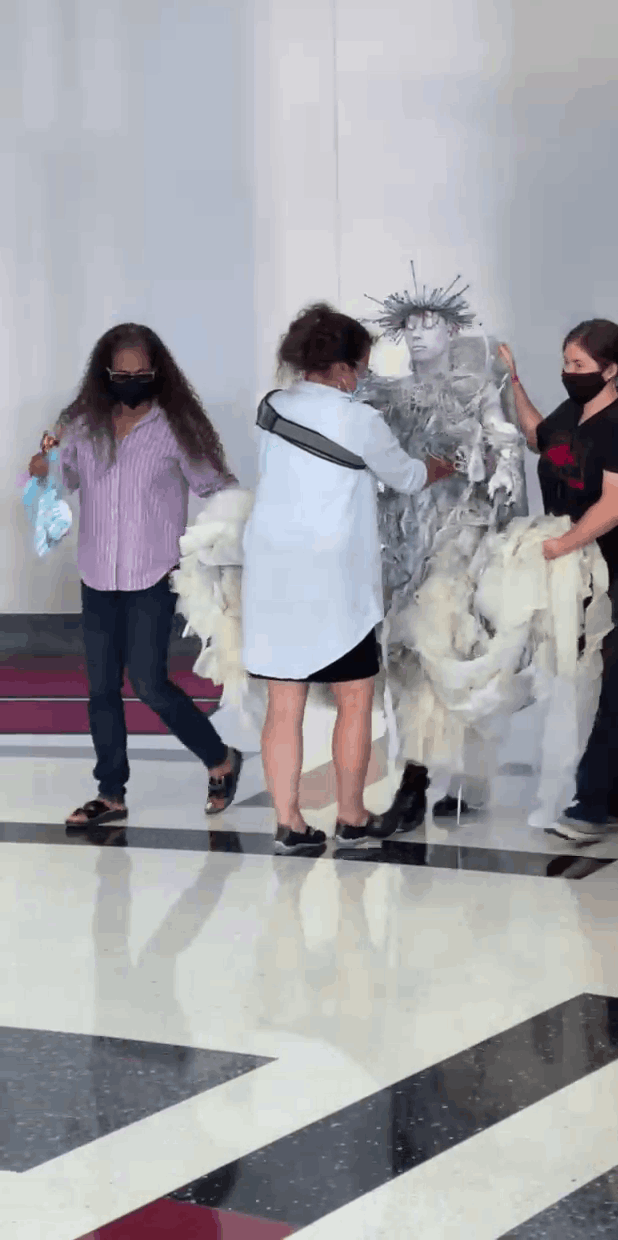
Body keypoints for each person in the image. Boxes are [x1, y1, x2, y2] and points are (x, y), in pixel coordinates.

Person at [240, 303, 456, 855]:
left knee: (283, 702)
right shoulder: (359, 419)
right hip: (332, 577)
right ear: (341, 368)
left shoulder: (271, 407)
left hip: (272, 569)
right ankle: (352, 815)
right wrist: (440, 466)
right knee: (355, 698)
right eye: (360, 366)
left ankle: (289, 823)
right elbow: (407, 478)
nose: (362, 376)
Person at [27, 323, 245, 829]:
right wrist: (43, 466)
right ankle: (110, 793)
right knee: (101, 687)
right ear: (105, 374)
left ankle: (220, 759)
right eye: (120, 374)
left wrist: (232, 532)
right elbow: (65, 478)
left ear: (156, 372)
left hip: (153, 573)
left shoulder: (175, 428)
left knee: (148, 681)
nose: (130, 382)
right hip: (97, 572)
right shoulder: (84, 425)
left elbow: (217, 486)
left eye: (140, 373)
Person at [356, 272, 527, 833]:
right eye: (410, 325)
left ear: (453, 331)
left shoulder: (476, 387)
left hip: (458, 535)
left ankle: (417, 781)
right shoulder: (387, 394)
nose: (419, 334)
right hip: (403, 538)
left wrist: (502, 471)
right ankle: (447, 773)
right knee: (411, 657)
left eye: (431, 325)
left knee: (440, 644)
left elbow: (502, 437)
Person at [499, 318, 618, 845]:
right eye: (566, 363)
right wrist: (513, 381)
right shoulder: (574, 413)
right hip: (581, 573)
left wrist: (561, 544)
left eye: (580, 365)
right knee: (589, 681)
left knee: (613, 683)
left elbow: (616, 504)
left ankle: (590, 805)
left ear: (611, 369)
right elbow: (538, 437)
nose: (569, 373)